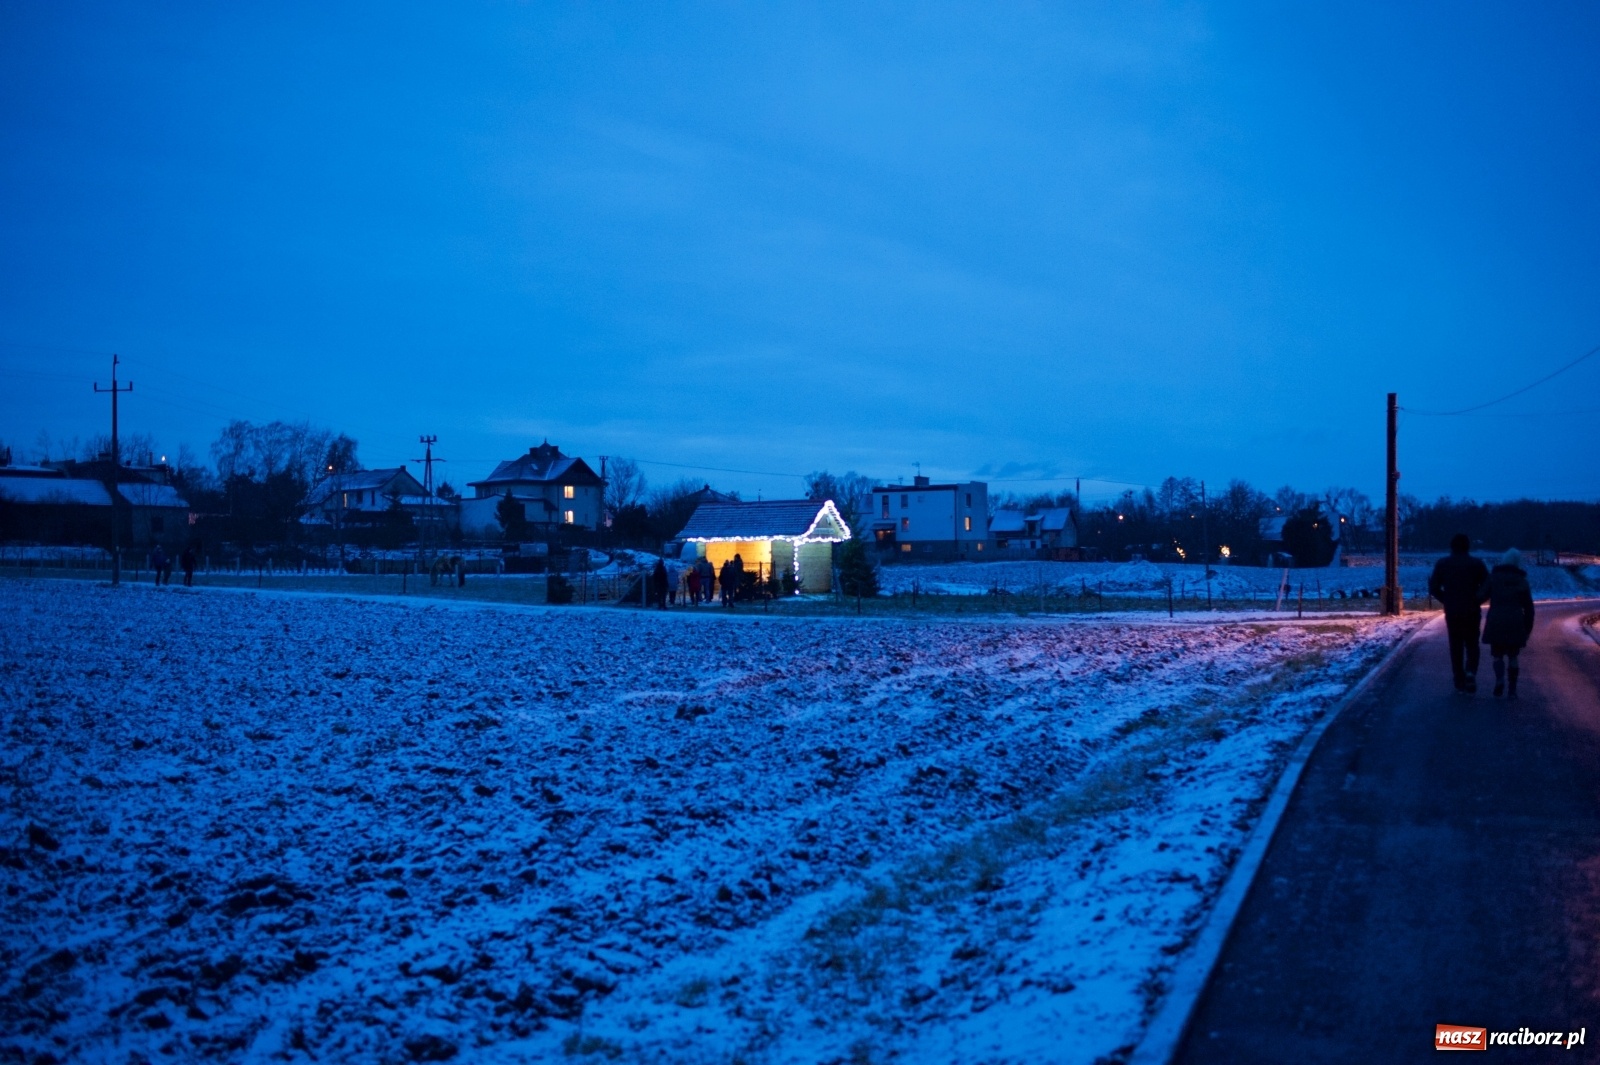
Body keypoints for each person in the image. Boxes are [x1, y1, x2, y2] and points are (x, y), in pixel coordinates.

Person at [1428, 533, 1489, 693]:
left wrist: (1446, 599)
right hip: (1471, 609)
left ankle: (1459, 679)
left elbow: (1433, 587)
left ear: (1452, 546)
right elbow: (1488, 586)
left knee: (1455, 646)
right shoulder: (1477, 564)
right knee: (1472, 644)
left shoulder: (1443, 564)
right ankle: (1470, 671)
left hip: (1453, 610)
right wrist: (1478, 599)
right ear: (1468, 546)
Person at [1481, 548, 1535, 698]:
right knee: (1513, 656)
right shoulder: (1521, 581)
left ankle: (1499, 680)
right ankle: (1512, 688)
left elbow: (1481, 595)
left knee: (1497, 655)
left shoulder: (1494, 577)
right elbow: (1529, 608)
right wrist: (1527, 629)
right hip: (1515, 623)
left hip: (1496, 621)